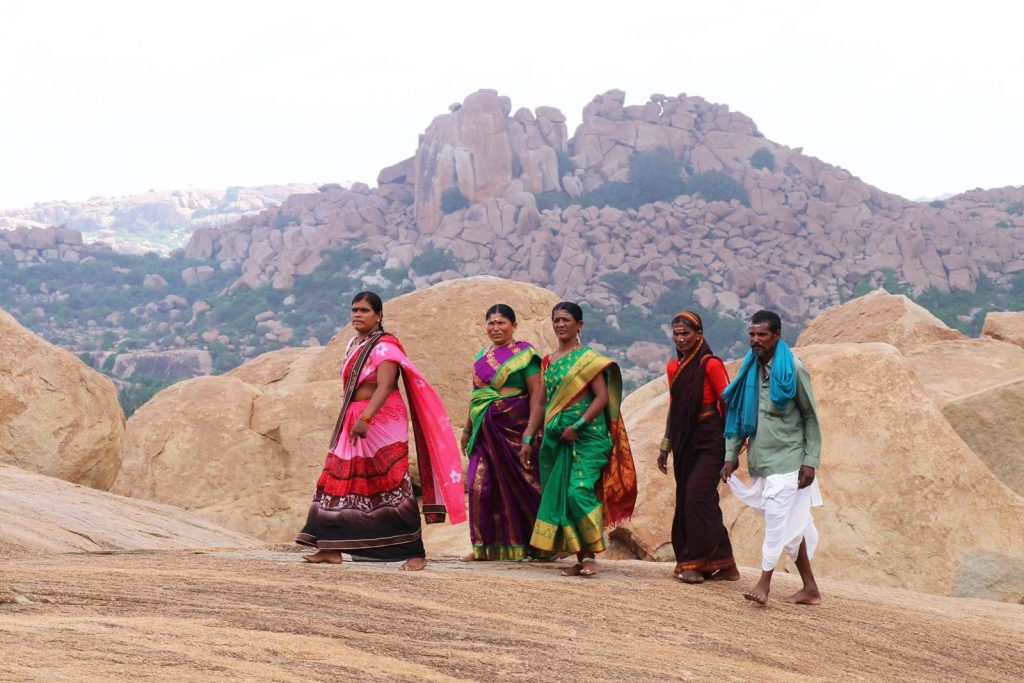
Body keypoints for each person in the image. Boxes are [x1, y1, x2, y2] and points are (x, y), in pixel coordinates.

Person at [296, 291, 466, 571]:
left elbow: (386, 386)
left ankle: (415, 552)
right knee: (338, 477)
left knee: (390, 482)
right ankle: (330, 548)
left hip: (381, 420)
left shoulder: (386, 346)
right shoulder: (354, 343)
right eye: (354, 310)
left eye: (363, 310)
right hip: (354, 417)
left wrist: (366, 417)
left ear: (379, 316)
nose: (357, 315)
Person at [720, 309, 823, 605]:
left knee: (777, 524)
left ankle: (763, 584)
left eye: (762, 334)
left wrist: (810, 461)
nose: (755, 340)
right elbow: (740, 414)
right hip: (761, 461)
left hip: (790, 461)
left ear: (776, 336)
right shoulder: (750, 369)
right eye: (752, 334)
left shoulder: (793, 369)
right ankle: (811, 588)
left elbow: (810, 417)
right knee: (792, 529)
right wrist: (730, 456)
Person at [529, 302, 637, 577]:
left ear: (580, 325)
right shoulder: (548, 361)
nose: (560, 325)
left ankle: (591, 556)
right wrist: (528, 436)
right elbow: (541, 402)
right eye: (556, 320)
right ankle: (581, 557)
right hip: (557, 439)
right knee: (564, 496)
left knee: (578, 491)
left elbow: (601, 398)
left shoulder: (589, 360)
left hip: (588, 437)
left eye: (566, 320)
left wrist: (577, 426)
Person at [656, 311, 739, 584]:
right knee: (698, 500)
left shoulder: (710, 364)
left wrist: (732, 448)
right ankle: (725, 564)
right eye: (676, 334)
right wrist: (665, 445)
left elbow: (728, 402)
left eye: (685, 334)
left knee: (696, 496)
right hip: (684, 440)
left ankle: (693, 561)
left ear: (699, 335)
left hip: (711, 439)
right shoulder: (673, 368)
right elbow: (675, 406)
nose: (680, 339)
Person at [459, 304, 545, 561]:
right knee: (479, 487)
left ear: (514, 326)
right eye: (491, 323)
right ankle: (484, 547)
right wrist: (467, 428)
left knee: (523, 486)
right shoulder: (481, 356)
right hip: (484, 430)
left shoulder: (525, 355)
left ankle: (537, 544)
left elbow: (537, 394)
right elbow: (478, 397)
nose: (495, 328)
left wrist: (531, 433)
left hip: (515, 429)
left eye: (501, 323)